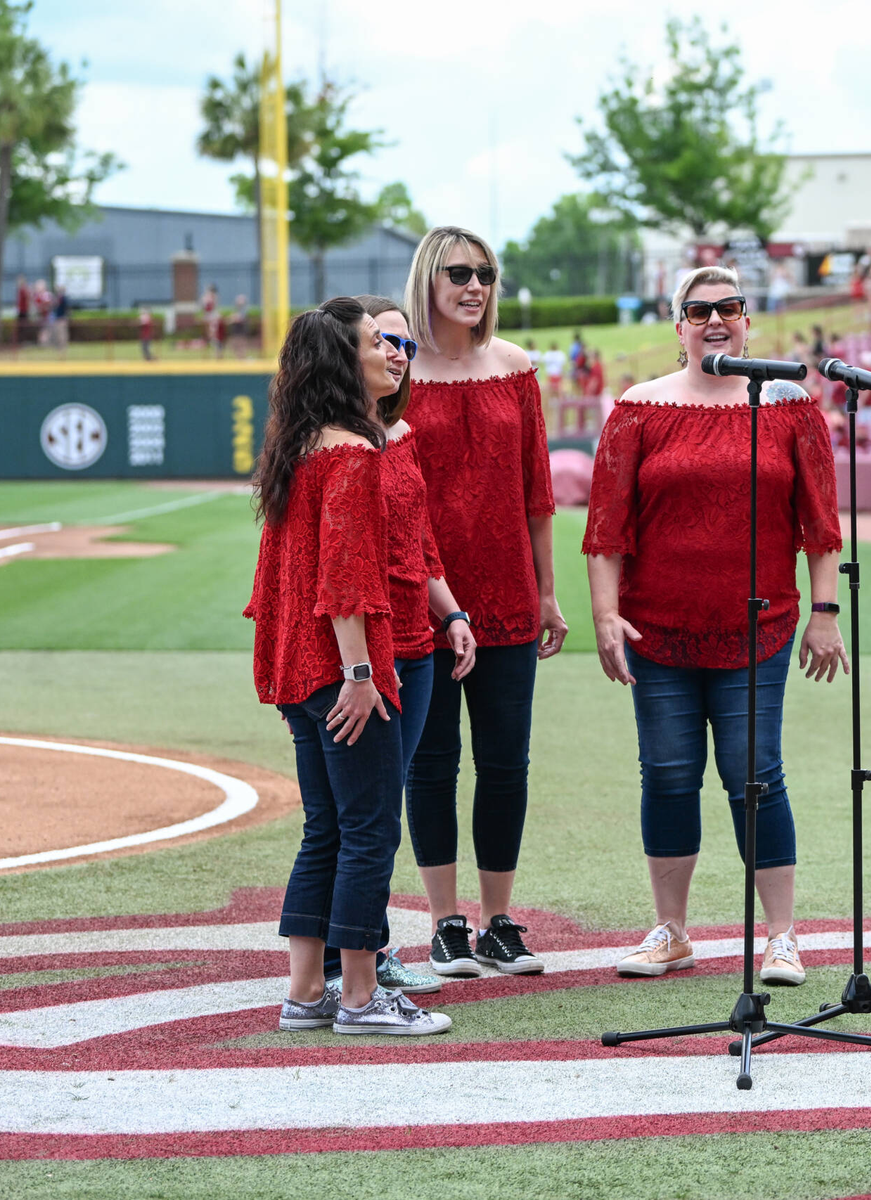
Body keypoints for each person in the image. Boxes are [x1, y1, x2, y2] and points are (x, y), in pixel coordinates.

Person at [583, 265, 848, 986]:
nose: (714, 320)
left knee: (755, 774)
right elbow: (606, 528)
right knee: (667, 776)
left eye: (728, 308)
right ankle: (670, 931)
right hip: (656, 628)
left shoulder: (788, 405)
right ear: (677, 326)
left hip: (757, 627)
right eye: (697, 311)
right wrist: (605, 616)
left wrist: (825, 614)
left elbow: (821, 525)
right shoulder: (638, 407)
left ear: (747, 320)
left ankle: (782, 937)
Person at [246, 296, 452, 1036]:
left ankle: (306, 992)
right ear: (344, 360)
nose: (395, 351)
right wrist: (362, 676)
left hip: (299, 668)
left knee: (326, 829)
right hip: (344, 672)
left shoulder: (295, 447)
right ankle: (363, 996)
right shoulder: (355, 453)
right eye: (377, 343)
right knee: (369, 830)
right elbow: (346, 581)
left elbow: (282, 577)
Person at [400, 226, 566, 978]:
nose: (475, 286)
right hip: (422, 601)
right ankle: (445, 924)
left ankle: (500, 920)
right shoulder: (397, 369)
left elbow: (538, 494)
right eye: (458, 273)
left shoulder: (516, 367)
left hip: (506, 593)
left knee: (506, 763)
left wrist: (549, 593)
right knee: (432, 764)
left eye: (486, 274)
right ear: (428, 280)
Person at [344, 294, 480, 994]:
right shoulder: (334, 443)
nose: (399, 355)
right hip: (367, 648)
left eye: (406, 347)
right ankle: (360, 963)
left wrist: (452, 614)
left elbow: (419, 546)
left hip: (416, 640)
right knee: (359, 815)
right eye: (385, 342)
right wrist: (354, 662)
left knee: (383, 804)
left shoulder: (399, 437)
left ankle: (365, 957)